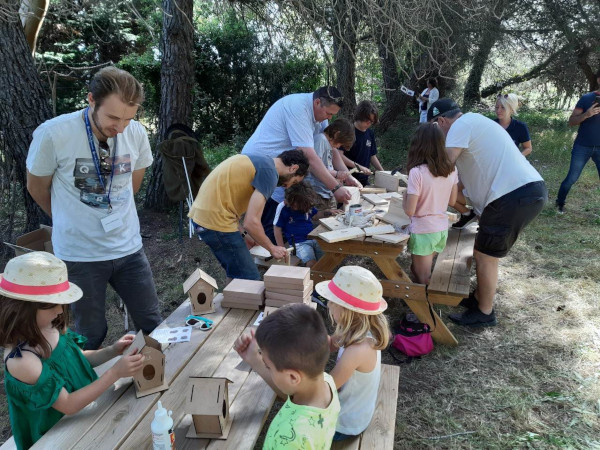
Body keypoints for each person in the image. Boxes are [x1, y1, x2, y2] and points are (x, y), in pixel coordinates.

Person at [26, 66, 162, 350]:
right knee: (90, 333)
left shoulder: (136, 133)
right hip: (79, 255)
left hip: (128, 249)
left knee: (152, 323)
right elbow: (37, 187)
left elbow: (132, 186)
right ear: (91, 100)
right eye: (113, 117)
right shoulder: (54, 134)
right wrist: (66, 219)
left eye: (128, 117)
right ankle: (87, 392)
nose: (121, 127)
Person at [0, 252, 144, 450]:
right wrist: (115, 373)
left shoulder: (50, 325)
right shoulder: (21, 360)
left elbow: (77, 359)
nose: (60, 310)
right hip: (56, 434)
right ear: (23, 308)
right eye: (53, 304)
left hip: (86, 412)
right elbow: (67, 404)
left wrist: (112, 351)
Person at [428, 98, 547, 327]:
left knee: (485, 256)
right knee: (481, 249)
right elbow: (459, 181)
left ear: (442, 121)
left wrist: (423, 184)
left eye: (436, 127)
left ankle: (484, 313)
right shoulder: (475, 123)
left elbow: (444, 167)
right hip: (522, 191)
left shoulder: (460, 126)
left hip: (513, 194)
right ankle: (480, 298)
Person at [242, 86, 358, 243]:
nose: (328, 118)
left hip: (283, 172)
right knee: (271, 222)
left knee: (284, 220)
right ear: (317, 102)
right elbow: (308, 156)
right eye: (328, 113)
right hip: (261, 166)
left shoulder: (320, 116)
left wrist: (347, 176)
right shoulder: (298, 108)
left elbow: (333, 150)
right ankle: (267, 258)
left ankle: (279, 252)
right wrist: (335, 187)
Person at [189, 150, 309, 281]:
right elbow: (251, 222)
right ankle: (236, 299)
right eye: (294, 181)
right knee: (249, 279)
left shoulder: (260, 160)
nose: (288, 186)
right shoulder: (270, 173)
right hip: (216, 222)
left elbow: (227, 206)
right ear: (293, 168)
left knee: (238, 274)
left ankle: (232, 298)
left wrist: (245, 235)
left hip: (203, 216)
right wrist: (272, 248)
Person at [234, 303, 340, 449]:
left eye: (268, 366)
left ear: (293, 377)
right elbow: (288, 390)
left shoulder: (292, 439)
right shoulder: (326, 381)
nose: (267, 368)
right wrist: (255, 360)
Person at [314, 266, 390, 441]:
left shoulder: (358, 349)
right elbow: (331, 343)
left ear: (346, 310)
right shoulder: (358, 329)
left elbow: (325, 391)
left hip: (346, 423)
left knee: (293, 427)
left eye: (331, 302)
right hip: (357, 407)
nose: (328, 305)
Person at [403, 123, 458, 284]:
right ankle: (418, 305)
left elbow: (409, 211)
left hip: (423, 231)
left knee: (423, 277)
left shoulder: (417, 172)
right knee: (417, 270)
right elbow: (453, 201)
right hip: (441, 229)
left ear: (418, 144)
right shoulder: (451, 169)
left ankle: (424, 308)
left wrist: (404, 196)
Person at [556, 71, 600, 213]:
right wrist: (587, 114)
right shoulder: (587, 98)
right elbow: (572, 121)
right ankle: (559, 203)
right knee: (572, 178)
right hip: (583, 146)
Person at [274, 182, 339, 268]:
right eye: (297, 206)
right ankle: (312, 279)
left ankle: (323, 277)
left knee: (326, 259)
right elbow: (277, 228)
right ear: (290, 200)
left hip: (313, 238)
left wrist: (327, 212)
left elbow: (315, 216)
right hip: (298, 243)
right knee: (312, 263)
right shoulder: (283, 207)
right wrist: (281, 248)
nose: (301, 209)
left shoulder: (305, 203)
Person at [305, 118, 356, 211]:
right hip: (316, 194)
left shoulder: (328, 144)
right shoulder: (321, 140)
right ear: (337, 134)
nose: (339, 147)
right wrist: (336, 174)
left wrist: (338, 178)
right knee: (318, 223)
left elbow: (327, 167)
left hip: (327, 193)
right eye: (340, 143)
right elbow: (314, 168)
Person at [339, 100, 384, 186]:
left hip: (364, 180)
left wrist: (383, 172)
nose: (369, 123)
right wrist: (359, 167)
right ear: (360, 115)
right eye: (367, 120)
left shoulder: (370, 133)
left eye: (371, 122)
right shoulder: (348, 131)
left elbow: (372, 156)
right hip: (348, 179)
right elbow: (339, 155)